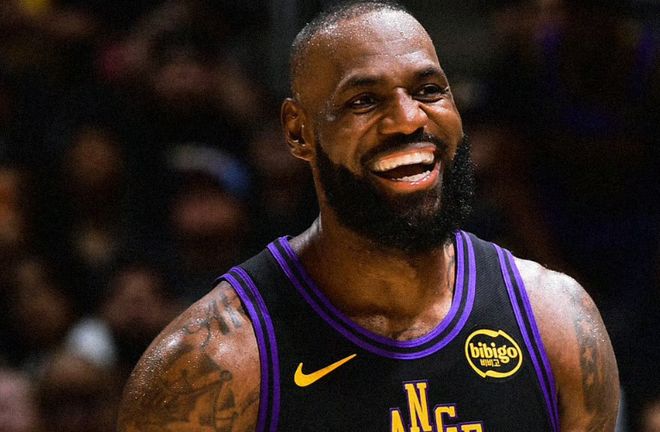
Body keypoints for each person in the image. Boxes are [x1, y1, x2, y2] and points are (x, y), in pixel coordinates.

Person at [117, 1, 619, 431]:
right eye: (364, 100)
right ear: (298, 132)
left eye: (429, 90)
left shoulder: (556, 321)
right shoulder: (211, 363)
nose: (407, 119)